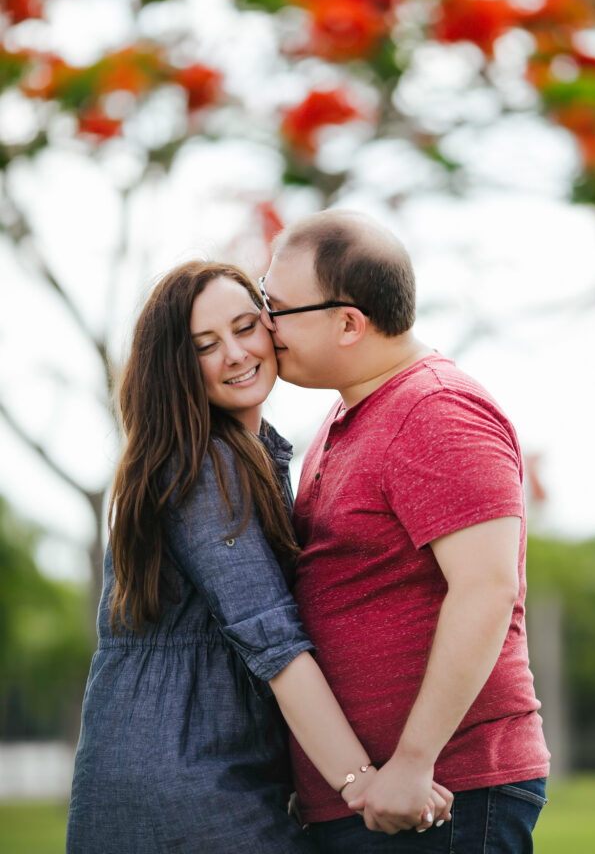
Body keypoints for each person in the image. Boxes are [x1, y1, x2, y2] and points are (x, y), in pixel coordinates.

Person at [66, 261, 450, 854]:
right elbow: (273, 641)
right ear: (176, 366)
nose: (236, 354)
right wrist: (361, 783)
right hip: (187, 782)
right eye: (205, 346)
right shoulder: (201, 467)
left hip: (195, 773)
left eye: (246, 327)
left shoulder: (253, 458)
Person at [259, 210, 551, 853]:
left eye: (275, 307)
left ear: (347, 322)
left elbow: (485, 590)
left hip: (443, 797)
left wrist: (414, 764)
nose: (263, 324)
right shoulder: (352, 412)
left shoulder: (436, 409)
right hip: (377, 800)